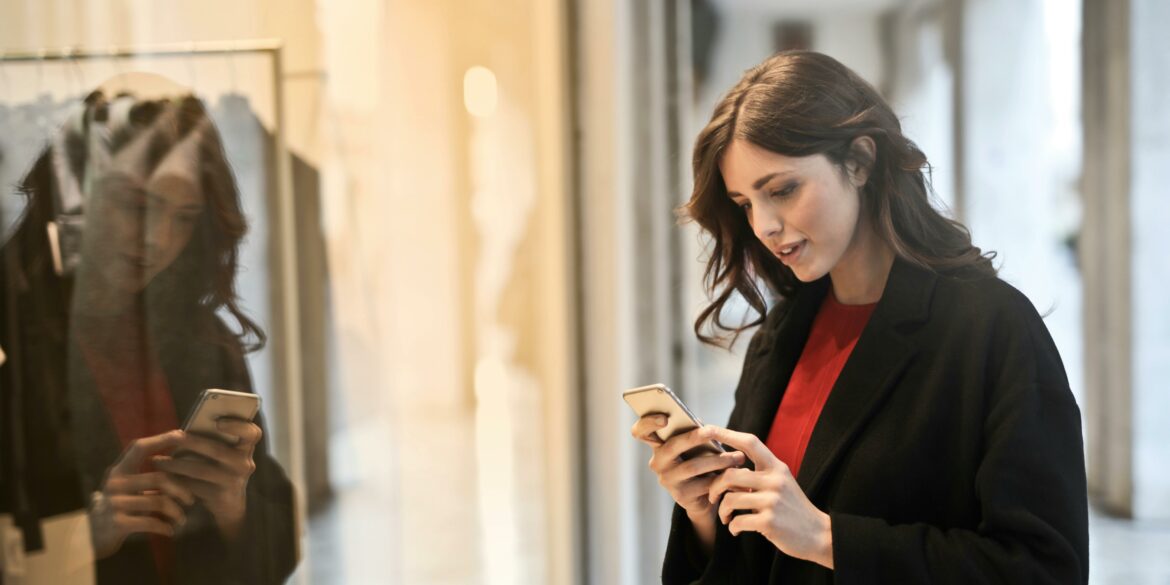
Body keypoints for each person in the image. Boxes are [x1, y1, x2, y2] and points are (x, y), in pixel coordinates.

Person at [631, 51, 1088, 584]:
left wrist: (827, 538)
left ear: (860, 161)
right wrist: (704, 513)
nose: (765, 225)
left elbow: (1045, 570)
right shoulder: (782, 335)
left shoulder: (991, 328)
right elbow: (758, 553)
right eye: (745, 203)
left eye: (782, 190)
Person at [0, 80, 297, 584]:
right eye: (135, 205)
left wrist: (233, 508)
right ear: (74, 195)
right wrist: (88, 534)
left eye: (182, 218)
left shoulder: (202, 337)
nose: (156, 241)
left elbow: (277, 548)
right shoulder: (11, 328)